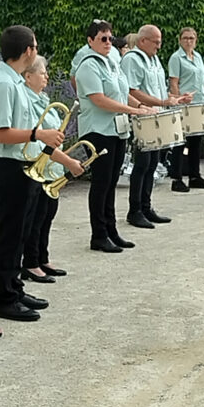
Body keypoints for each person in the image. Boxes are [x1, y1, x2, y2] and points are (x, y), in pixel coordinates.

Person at [0, 25, 65, 321]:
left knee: (20, 232)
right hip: (9, 165)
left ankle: (14, 288)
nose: (37, 52)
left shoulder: (14, 82)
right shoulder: (4, 84)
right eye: (36, 47)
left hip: (23, 165)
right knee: (9, 234)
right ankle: (4, 298)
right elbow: (0, 133)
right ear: (28, 50)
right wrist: (38, 134)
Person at [18, 52, 86, 287]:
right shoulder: (27, 101)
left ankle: (42, 258)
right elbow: (39, 144)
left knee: (47, 214)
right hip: (39, 166)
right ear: (28, 77)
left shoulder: (42, 99)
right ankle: (30, 263)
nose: (46, 77)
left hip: (51, 169)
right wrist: (68, 162)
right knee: (35, 218)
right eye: (42, 73)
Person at [71, 21, 135, 249]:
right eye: (103, 39)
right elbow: (99, 99)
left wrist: (140, 107)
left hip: (116, 129)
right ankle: (98, 234)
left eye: (110, 38)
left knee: (112, 182)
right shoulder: (88, 65)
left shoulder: (112, 61)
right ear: (90, 41)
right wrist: (132, 110)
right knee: (101, 182)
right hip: (98, 130)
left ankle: (111, 230)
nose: (108, 43)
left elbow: (122, 93)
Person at [122, 24, 180, 227]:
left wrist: (171, 99)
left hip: (156, 117)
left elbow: (157, 89)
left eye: (160, 41)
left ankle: (146, 207)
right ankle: (135, 210)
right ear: (142, 40)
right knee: (142, 164)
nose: (159, 46)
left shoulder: (153, 59)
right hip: (142, 117)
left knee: (153, 163)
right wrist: (160, 102)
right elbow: (131, 90)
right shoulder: (132, 59)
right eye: (155, 42)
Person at [167, 26, 204, 191]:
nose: (188, 41)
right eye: (185, 38)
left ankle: (195, 176)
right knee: (180, 142)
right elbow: (174, 82)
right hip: (184, 104)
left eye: (191, 38)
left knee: (196, 141)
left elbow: (201, 81)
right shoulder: (176, 58)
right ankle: (176, 178)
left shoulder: (198, 57)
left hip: (199, 102)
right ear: (180, 40)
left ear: (196, 40)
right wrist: (178, 100)